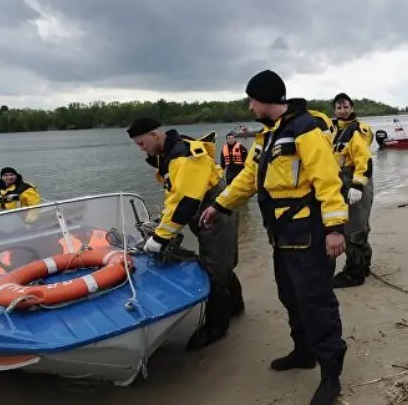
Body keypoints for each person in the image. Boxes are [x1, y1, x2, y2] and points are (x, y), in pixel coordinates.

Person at [199, 69, 348, 405]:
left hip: (309, 235)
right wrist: (219, 206)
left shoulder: (305, 129)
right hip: (282, 237)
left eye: (252, 100)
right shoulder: (267, 137)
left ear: (266, 98)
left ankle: (331, 376)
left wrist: (335, 229)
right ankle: (303, 352)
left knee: (316, 303)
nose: (250, 106)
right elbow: (248, 178)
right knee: (290, 296)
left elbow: (328, 179)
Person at [126, 117, 245, 351]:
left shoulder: (185, 156)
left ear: (154, 135)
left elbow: (186, 202)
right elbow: (175, 197)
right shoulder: (171, 153)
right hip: (206, 211)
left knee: (214, 269)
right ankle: (235, 306)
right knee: (220, 262)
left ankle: (216, 328)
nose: (141, 149)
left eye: (141, 143)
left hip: (215, 213)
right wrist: (162, 224)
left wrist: (160, 238)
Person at [330, 92, 374, 288]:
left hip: (355, 179)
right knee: (358, 226)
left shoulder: (356, 130)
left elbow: (364, 160)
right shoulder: (335, 130)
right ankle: (363, 266)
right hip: (342, 179)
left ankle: (354, 274)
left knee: (353, 227)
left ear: (352, 108)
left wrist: (357, 185)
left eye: (346, 107)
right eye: (339, 107)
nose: (342, 111)